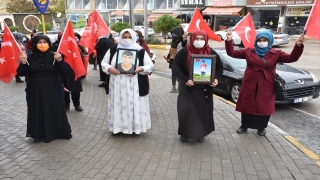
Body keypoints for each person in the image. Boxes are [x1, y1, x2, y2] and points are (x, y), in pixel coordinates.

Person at [225, 30, 305, 136]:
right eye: (260, 40)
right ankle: (244, 125)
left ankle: (261, 127)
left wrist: (298, 46)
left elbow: (292, 58)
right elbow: (232, 53)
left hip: (266, 83)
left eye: (265, 40)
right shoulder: (249, 51)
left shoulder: (276, 53)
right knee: (247, 103)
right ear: (256, 41)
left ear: (270, 41)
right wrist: (229, 40)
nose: (262, 42)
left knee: (264, 105)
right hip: (250, 82)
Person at [16, 35, 72, 143]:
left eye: (44, 42)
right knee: (38, 111)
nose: (42, 44)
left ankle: (56, 132)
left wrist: (60, 61)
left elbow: (65, 72)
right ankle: (39, 133)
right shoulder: (29, 57)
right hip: (35, 90)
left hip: (52, 89)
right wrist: (23, 62)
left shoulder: (55, 56)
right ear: (34, 44)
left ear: (49, 43)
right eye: (39, 42)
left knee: (53, 110)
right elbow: (21, 73)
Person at [101, 28, 154, 136]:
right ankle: (117, 128)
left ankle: (134, 128)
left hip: (135, 84)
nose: (127, 39)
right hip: (117, 84)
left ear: (134, 38)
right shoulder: (113, 50)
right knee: (118, 104)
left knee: (134, 105)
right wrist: (109, 68)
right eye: (124, 37)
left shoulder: (140, 51)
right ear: (120, 37)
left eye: (130, 37)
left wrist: (140, 69)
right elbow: (104, 63)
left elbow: (150, 65)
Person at [173, 30, 223, 143]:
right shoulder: (184, 52)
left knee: (202, 112)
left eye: (202, 39)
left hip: (204, 90)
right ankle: (184, 134)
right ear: (192, 39)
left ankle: (201, 134)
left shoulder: (211, 52)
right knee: (185, 111)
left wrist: (216, 79)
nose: (199, 41)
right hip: (188, 89)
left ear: (205, 40)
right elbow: (176, 67)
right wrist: (185, 80)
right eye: (197, 38)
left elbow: (220, 67)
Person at [51, 31, 84, 112]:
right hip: (61, 71)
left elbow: (79, 58)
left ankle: (77, 104)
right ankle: (66, 105)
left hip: (73, 70)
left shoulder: (74, 46)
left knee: (75, 89)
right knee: (64, 88)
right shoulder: (55, 47)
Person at [167, 26, 185, 93]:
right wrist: (168, 57)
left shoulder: (183, 41)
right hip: (172, 59)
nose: (173, 34)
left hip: (179, 60)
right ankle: (173, 87)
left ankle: (179, 87)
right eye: (172, 33)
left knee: (179, 74)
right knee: (173, 74)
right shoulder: (173, 40)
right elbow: (171, 49)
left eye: (174, 33)